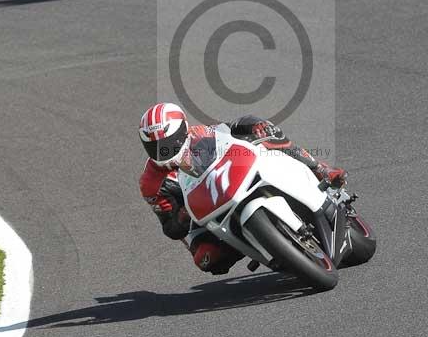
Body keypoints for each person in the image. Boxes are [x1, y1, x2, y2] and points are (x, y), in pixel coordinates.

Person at [138, 102, 347, 275]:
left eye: (168, 143)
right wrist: (182, 215)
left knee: (264, 130)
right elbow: (170, 228)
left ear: (182, 130)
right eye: (154, 147)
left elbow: (230, 129)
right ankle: (260, 245)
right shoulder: (150, 183)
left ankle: (319, 169)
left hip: (230, 180)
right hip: (202, 213)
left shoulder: (199, 134)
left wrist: (254, 126)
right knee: (207, 259)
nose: (163, 151)